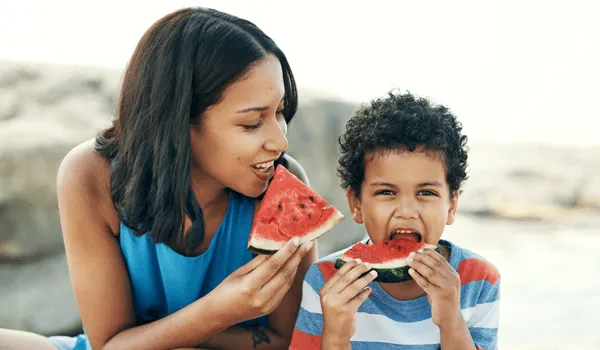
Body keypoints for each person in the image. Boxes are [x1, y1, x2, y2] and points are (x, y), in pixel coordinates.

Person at [0, 7, 317, 350]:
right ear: (179, 124)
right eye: (252, 123)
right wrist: (218, 311)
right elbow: (107, 345)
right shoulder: (89, 176)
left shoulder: (286, 187)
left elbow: (290, 343)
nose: (280, 141)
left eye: (280, 112)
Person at [290, 91, 501, 349]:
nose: (406, 211)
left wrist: (451, 321)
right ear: (356, 203)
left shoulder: (478, 280)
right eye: (386, 192)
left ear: (451, 204)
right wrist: (335, 336)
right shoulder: (325, 280)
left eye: (426, 193)